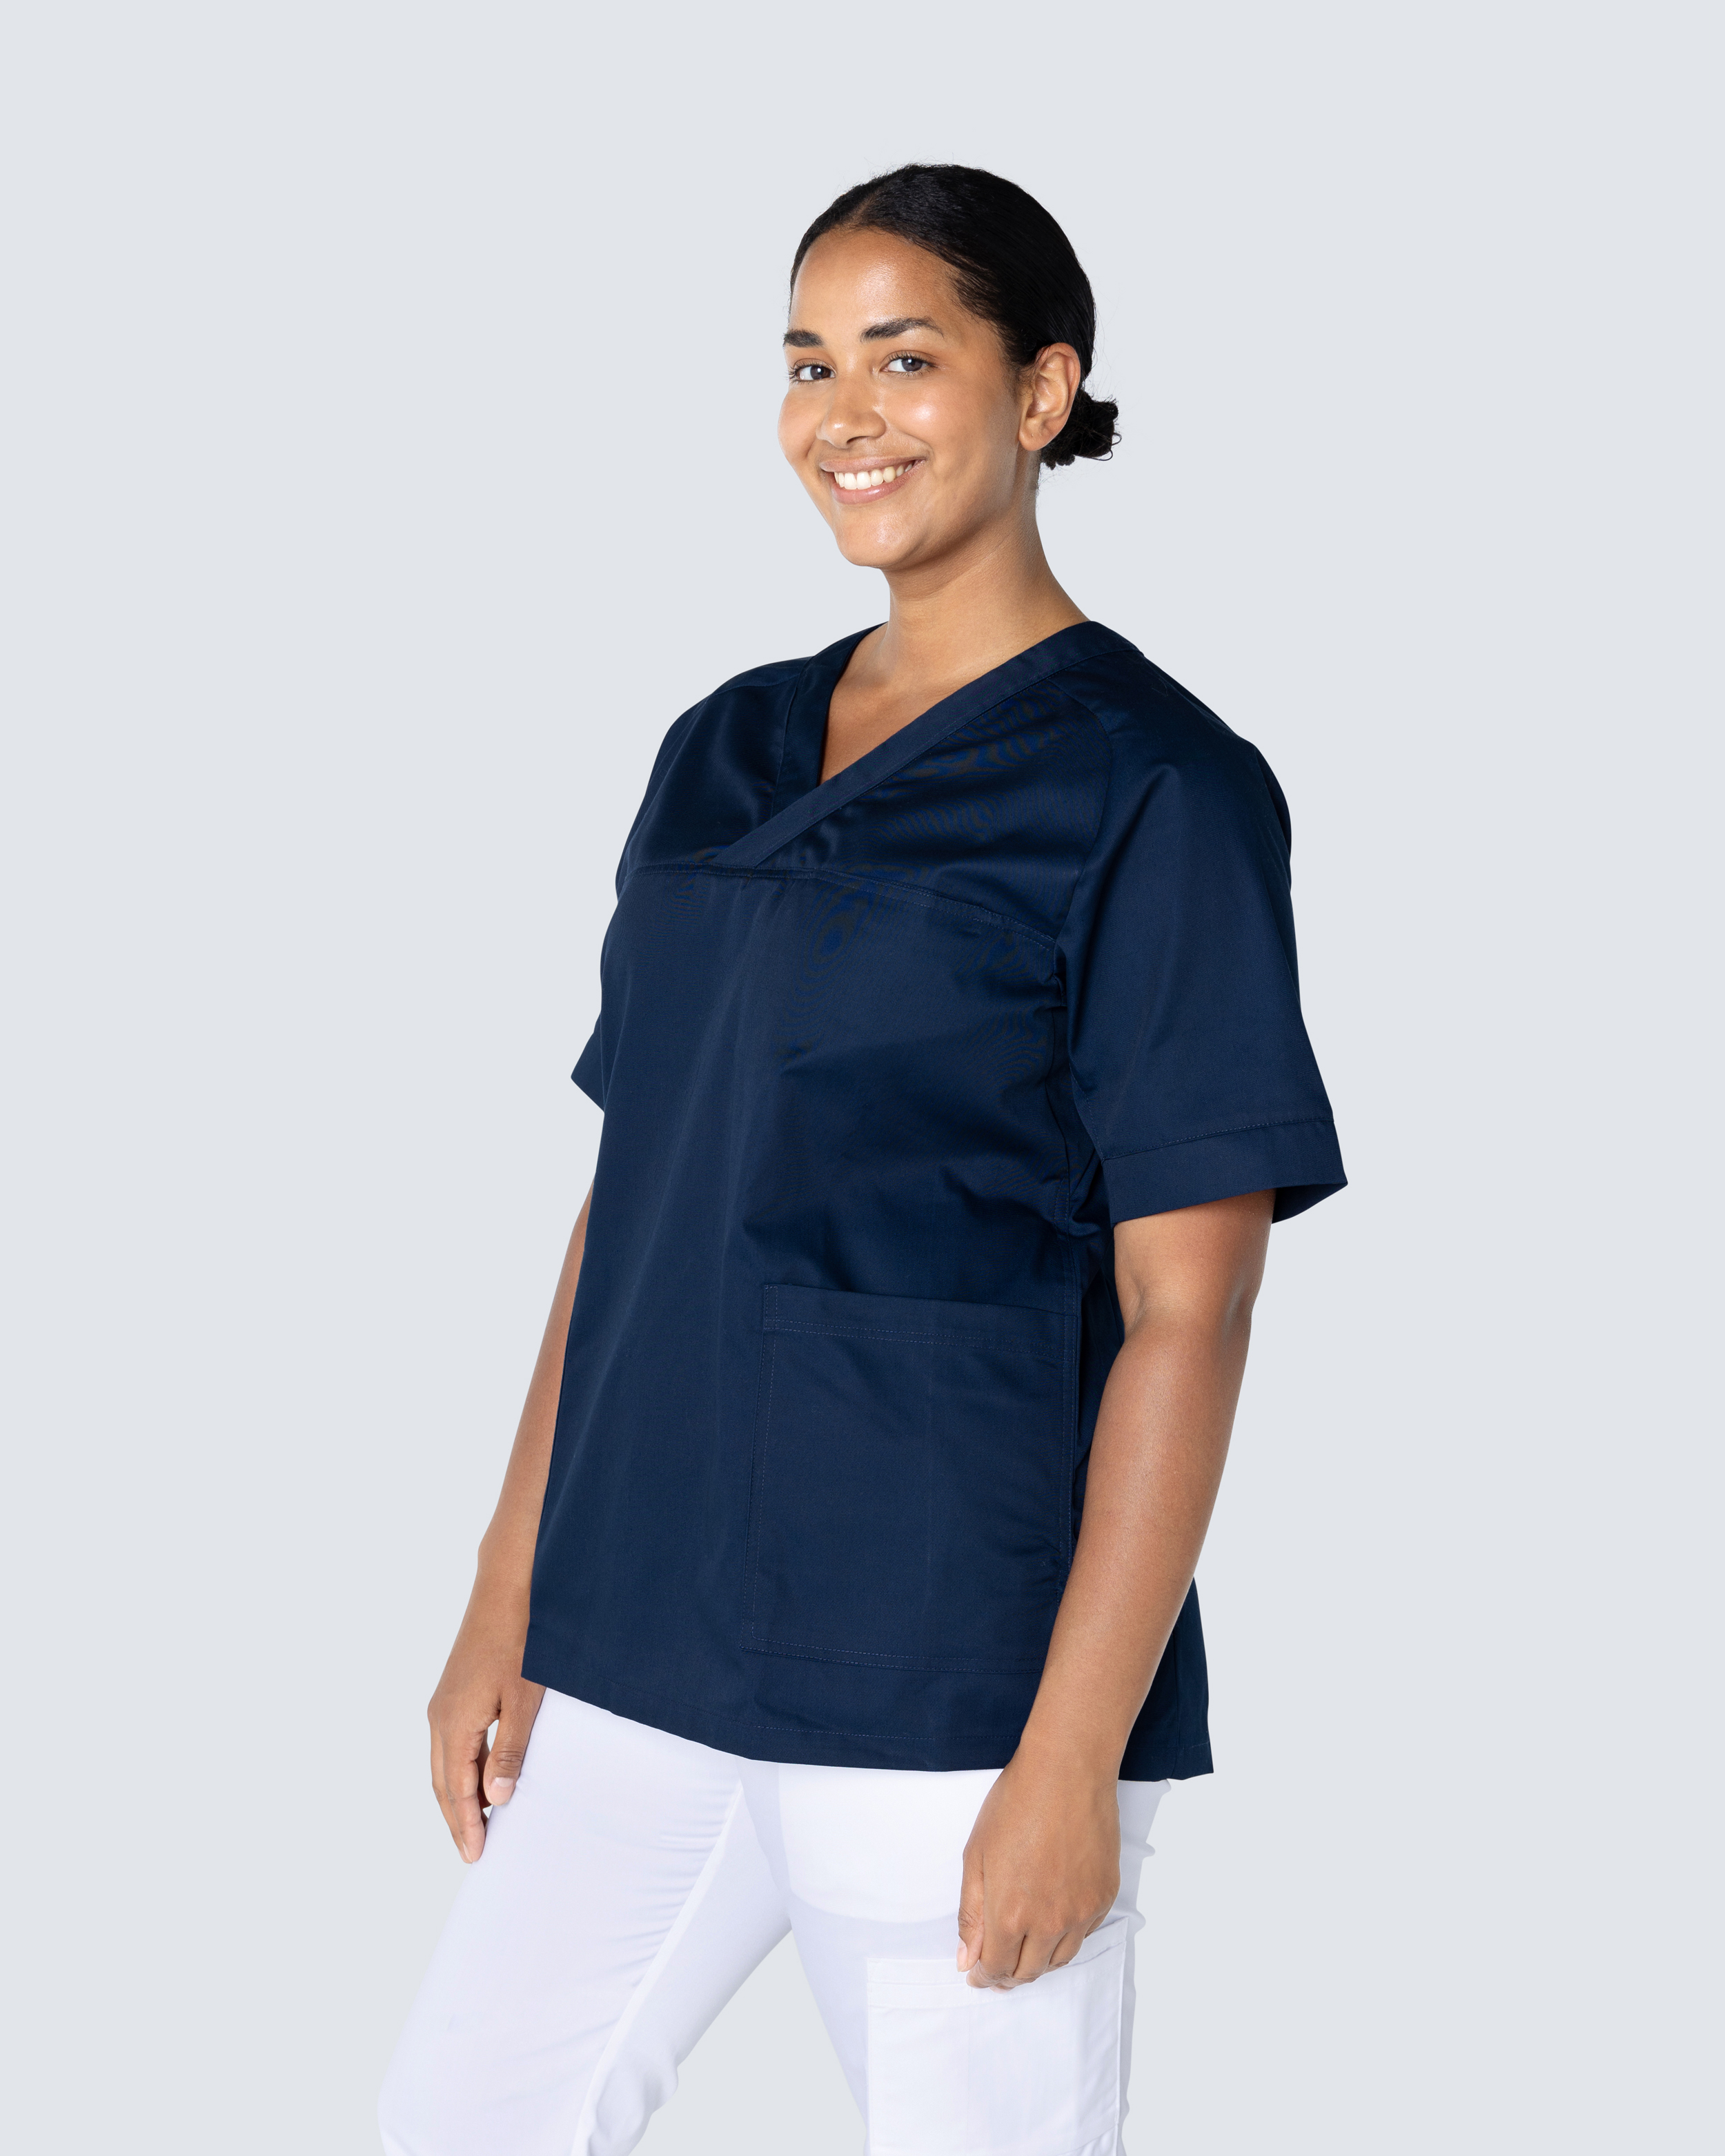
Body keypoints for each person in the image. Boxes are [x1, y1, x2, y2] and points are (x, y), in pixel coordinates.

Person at [379, 163, 1344, 2156]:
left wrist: (1068, 1758)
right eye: (808, 363)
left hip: (947, 1672)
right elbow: (637, 1193)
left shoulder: (1155, 788)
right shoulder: (722, 744)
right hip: (642, 1626)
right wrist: (505, 1591)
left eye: (906, 359)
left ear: (1040, 392)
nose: (845, 414)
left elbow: (1189, 1308)